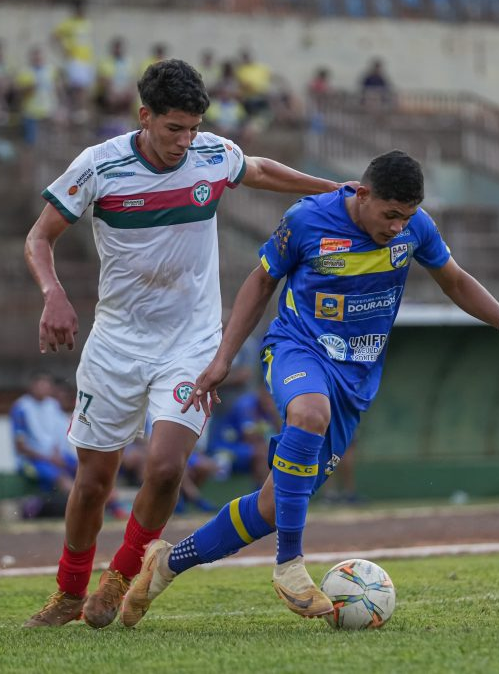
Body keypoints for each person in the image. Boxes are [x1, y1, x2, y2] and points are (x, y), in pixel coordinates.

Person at [120, 150, 499, 627]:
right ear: (362, 194)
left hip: (356, 377)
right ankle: (290, 565)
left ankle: (165, 564)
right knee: (308, 413)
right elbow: (261, 282)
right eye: (390, 215)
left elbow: (453, 279)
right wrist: (223, 358)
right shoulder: (308, 219)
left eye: (406, 217)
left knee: (272, 505)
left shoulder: (416, 228)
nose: (397, 227)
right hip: (298, 348)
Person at [22, 58, 347, 629]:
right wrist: (52, 294)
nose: (186, 140)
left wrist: (337, 191)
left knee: (167, 467)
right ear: (144, 117)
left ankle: (122, 576)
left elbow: (262, 170)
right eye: (174, 128)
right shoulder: (98, 167)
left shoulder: (211, 154)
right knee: (94, 481)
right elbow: (39, 236)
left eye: (194, 127)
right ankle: (68, 591)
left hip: (192, 342)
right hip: (116, 343)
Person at [208, 386, 280, 487]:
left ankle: (267, 496)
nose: (272, 399)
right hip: (225, 447)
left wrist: (274, 413)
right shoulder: (246, 404)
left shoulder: (269, 407)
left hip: (242, 446)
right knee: (262, 453)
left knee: (276, 451)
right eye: (269, 395)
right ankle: (263, 496)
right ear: (262, 392)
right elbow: (249, 437)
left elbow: (279, 433)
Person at [15, 45, 60, 147]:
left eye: (39, 56)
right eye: (35, 57)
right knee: (31, 142)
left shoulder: (50, 70)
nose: (37, 59)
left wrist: (58, 106)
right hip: (31, 112)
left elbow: (56, 89)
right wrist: (30, 88)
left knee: (48, 141)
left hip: (48, 110)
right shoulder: (25, 72)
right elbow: (20, 92)